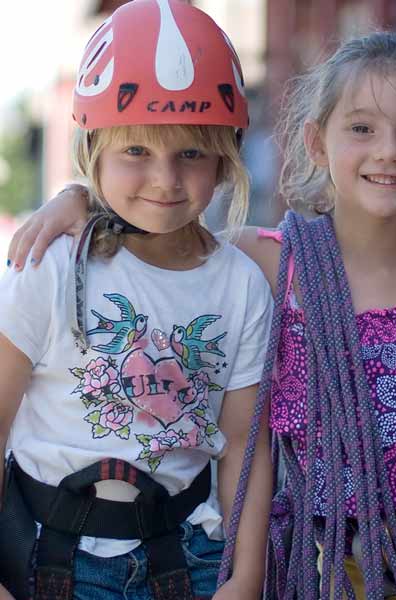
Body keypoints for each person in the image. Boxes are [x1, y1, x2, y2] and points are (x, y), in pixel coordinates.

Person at [8, 31, 396, 600]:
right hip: (341, 559)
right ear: (315, 141)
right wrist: (79, 199)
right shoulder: (264, 263)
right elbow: (163, 229)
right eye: (361, 128)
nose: (387, 151)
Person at [0, 1, 273, 599]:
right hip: (54, 561)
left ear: (226, 158)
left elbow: (246, 450)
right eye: (136, 152)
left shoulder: (241, 285)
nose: (165, 180)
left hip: (189, 557)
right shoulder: (47, 268)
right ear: (93, 149)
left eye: (191, 153)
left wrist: (246, 577)